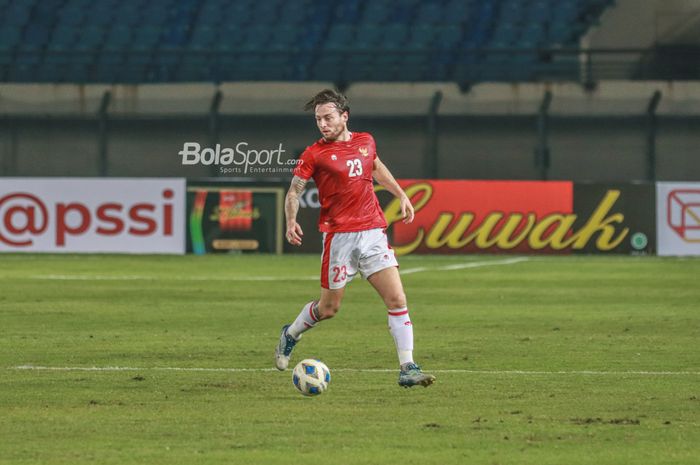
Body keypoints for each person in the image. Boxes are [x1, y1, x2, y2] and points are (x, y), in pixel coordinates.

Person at [275, 89, 435, 388]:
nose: (323, 124)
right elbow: (295, 190)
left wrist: (400, 194)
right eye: (318, 119)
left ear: (344, 116)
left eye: (328, 118)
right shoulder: (314, 154)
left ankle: (408, 367)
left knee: (397, 299)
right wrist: (291, 219)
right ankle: (291, 333)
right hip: (339, 239)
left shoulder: (366, 141)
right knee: (328, 309)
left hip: (372, 232)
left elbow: (375, 167)